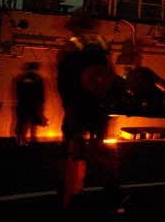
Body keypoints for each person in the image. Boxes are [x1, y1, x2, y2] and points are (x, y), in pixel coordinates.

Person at [56, 37, 121, 210]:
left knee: (73, 153)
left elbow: (63, 86)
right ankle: (109, 193)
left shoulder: (70, 65)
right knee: (101, 153)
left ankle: (70, 195)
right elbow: (111, 84)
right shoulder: (101, 66)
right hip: (95, 114)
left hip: (76, 113)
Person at [12, 62, 46, 145]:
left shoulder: (21, 79)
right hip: (33, 105)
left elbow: (18, 92)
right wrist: (40, 106)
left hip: (23, 104)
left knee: (22, 124)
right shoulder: (38, 79)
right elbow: (40, 94)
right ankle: (32, 142)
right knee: (33, 125)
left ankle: (21, 141)